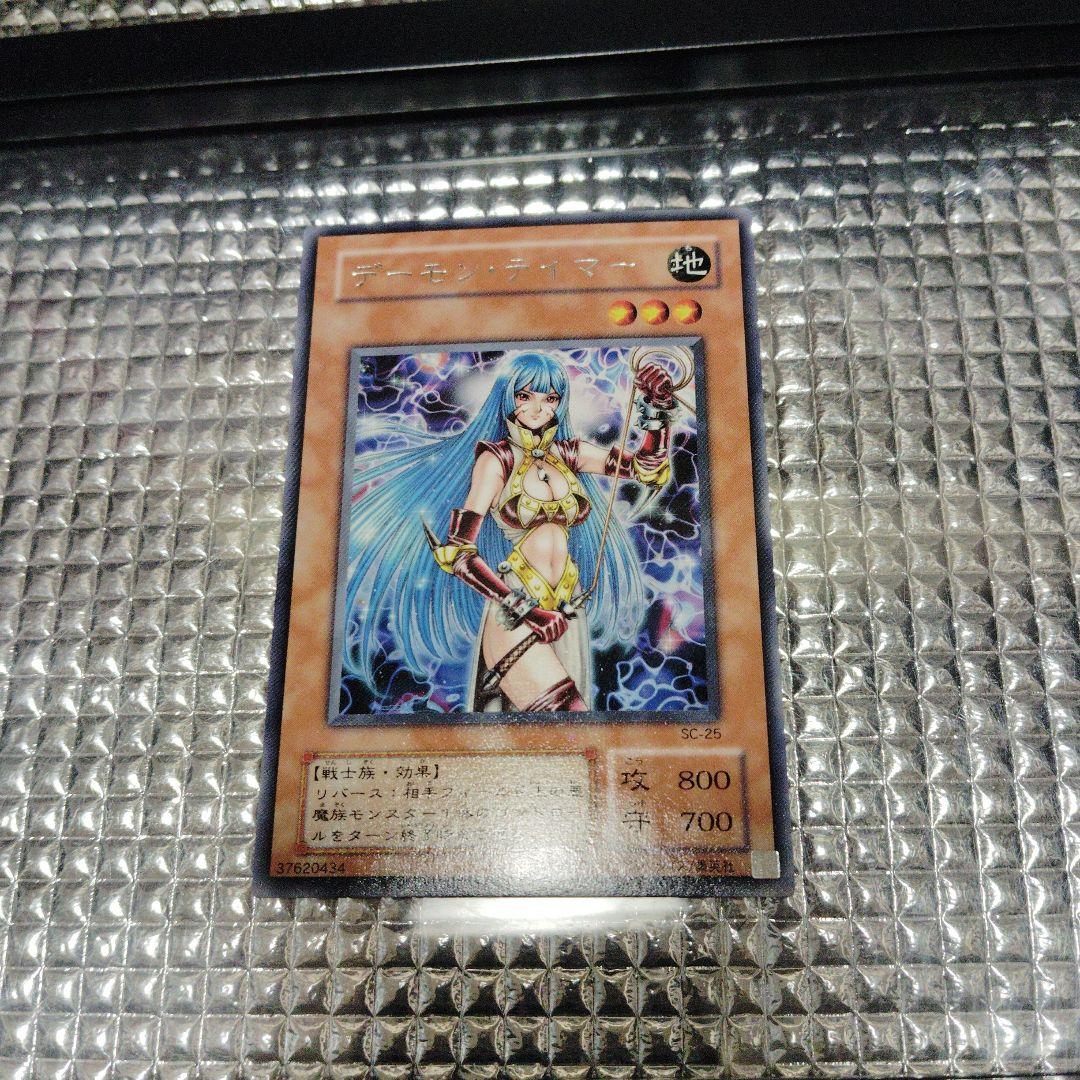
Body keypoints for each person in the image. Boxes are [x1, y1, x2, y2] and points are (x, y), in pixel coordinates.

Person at [343, 350, 674, 713]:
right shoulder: (496, 460)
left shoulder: (569, 454)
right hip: (515, 609)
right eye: (525, 396)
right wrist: (528, 612)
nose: (538, 408)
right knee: (569, 717)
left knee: (562, 734)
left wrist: (657, 409)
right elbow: (457, 553)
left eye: (550, 398)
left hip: (566, 607)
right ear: (508, 397)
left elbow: (646, 470)